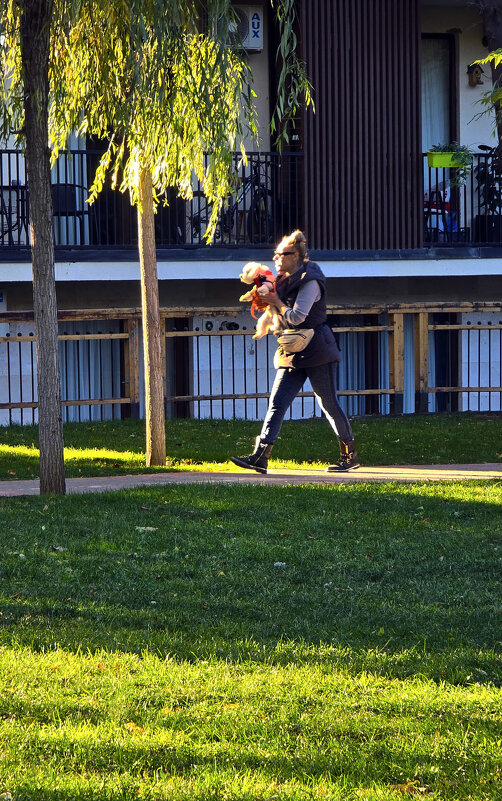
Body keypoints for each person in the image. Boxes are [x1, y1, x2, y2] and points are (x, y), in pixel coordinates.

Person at [230, 229, 360, 475]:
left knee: (328, 404)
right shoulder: (282, 279)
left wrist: (276, 302)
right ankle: (261, 456)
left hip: (318, 348)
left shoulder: (310, 280)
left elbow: (298, 317)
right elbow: (280, 314)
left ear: (297, 256)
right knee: (277, 402)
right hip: (292, 350)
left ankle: (349, 456)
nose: (277, 258)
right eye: (275, 254)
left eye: (282, 254)